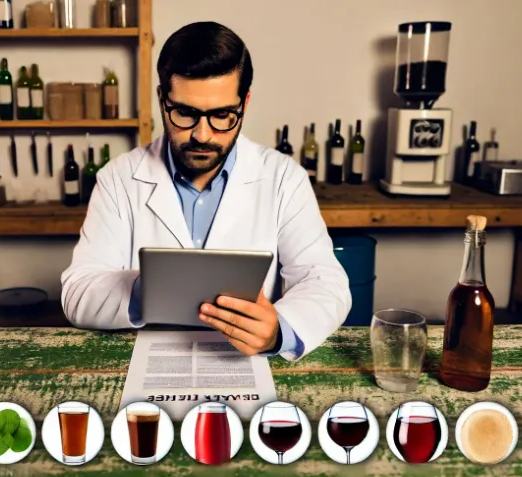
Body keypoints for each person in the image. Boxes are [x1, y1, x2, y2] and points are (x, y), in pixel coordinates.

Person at [61, 21, 351, 361]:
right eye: (185, 113)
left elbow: (326, 283)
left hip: (241, 362)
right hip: (143, 362)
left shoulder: (284, 178)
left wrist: (279, 331)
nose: (202, 134)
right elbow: (77, 293)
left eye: (222, 115)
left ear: (245, 103)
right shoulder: (120, 178)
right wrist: (147, 290)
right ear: (161, 100)